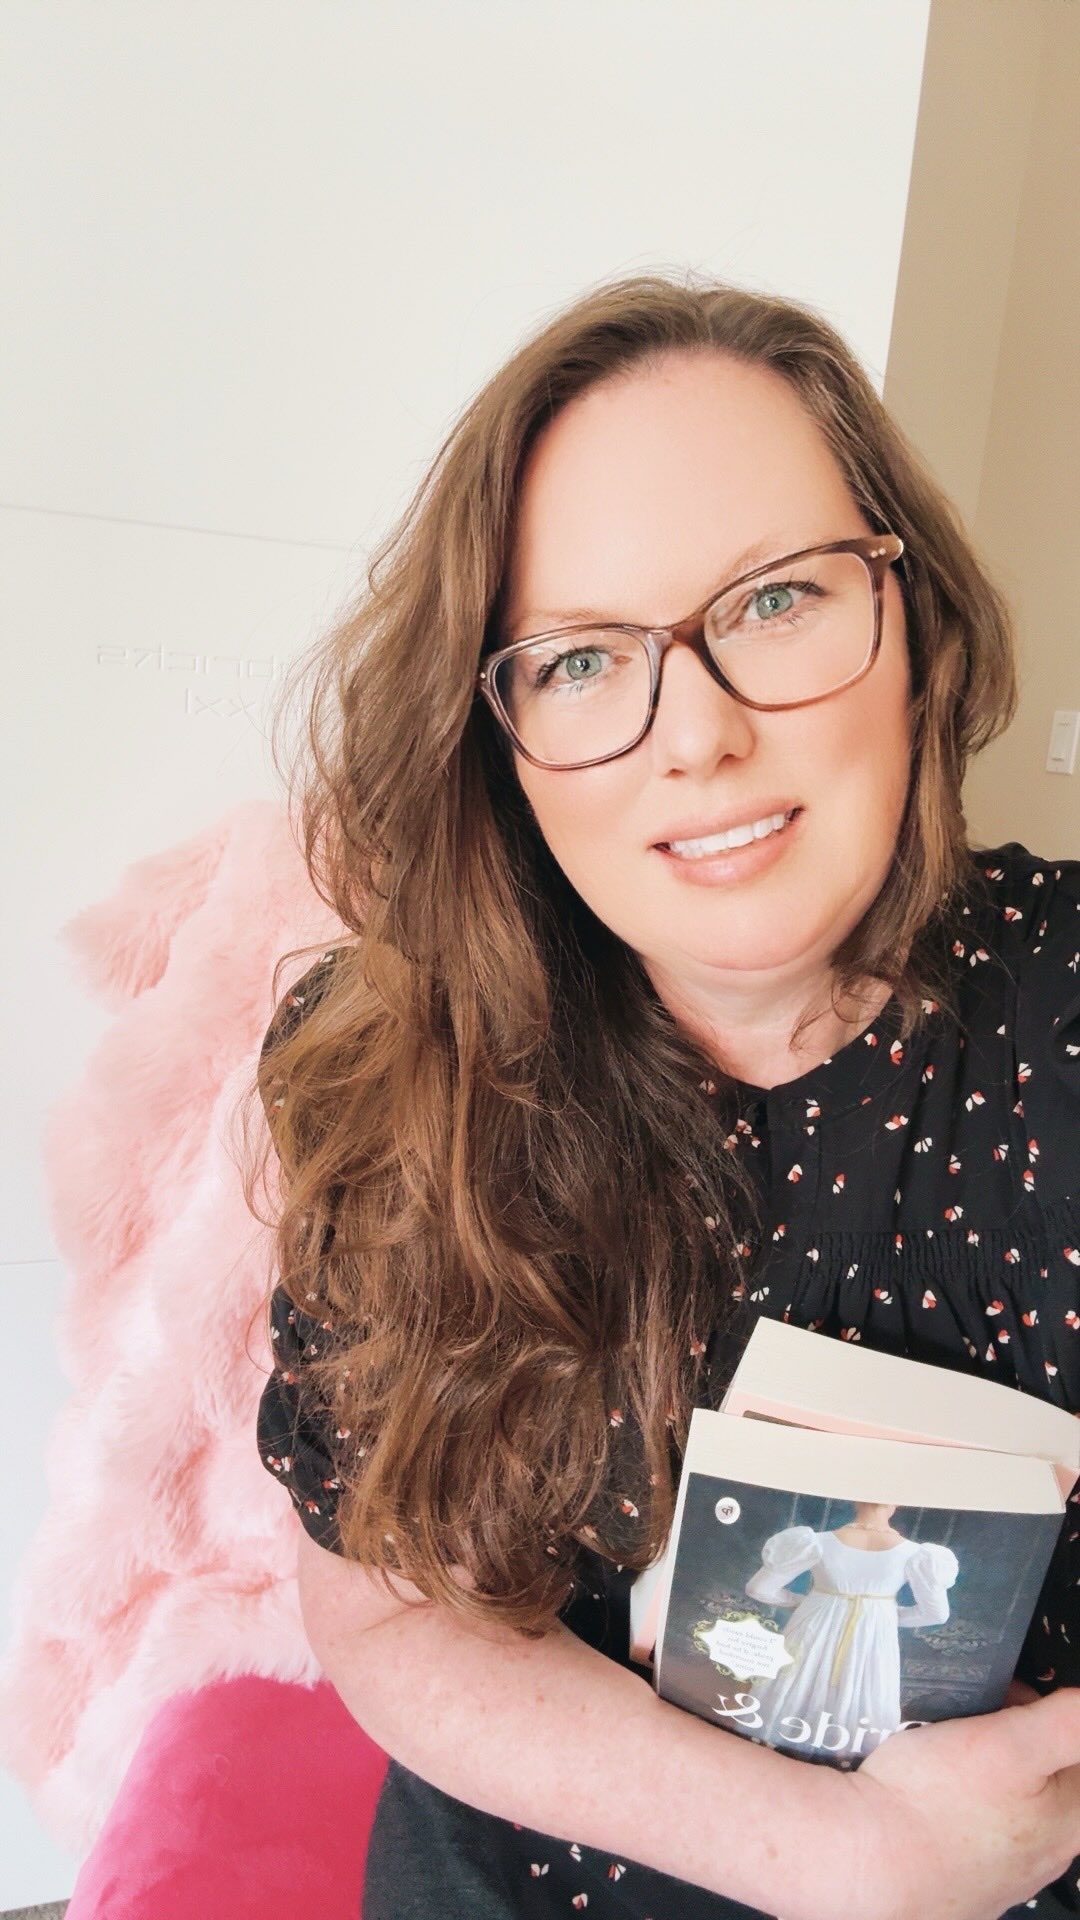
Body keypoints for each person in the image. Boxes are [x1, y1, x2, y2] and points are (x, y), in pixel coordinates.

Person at [248, 272, 1080, 1920]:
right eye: (576, 661)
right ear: (495, 736)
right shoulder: (385, 1060)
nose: (693, 733)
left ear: (909, 622)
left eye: (774, 601)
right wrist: (841, 1860)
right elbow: (386, 1604)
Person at [742, 1504, 960, 1753]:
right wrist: (884, 1616)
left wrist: (805, 1603)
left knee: (794, 1685)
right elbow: (936, 1613)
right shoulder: (918, 1555)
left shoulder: (814, 1542)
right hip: (873, 1639)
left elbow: (759, 1589)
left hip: (813, 1629)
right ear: (895, 1504)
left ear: (857, 1500)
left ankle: (771, 1751)